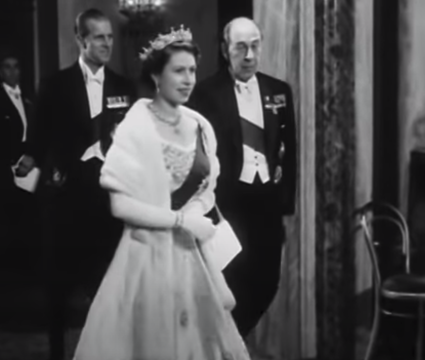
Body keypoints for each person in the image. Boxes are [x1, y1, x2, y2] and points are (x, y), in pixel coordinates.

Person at [72, 26, 250, 360]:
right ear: (156, 75)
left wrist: (197, 210)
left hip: (192, 257)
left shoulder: (199, 125)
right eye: (178, 71)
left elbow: (207, 188)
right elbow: (120, 204)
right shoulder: (135, 127)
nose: (188, 79)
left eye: (193, 70)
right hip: (146, 257)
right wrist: (181, 220)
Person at [17, 8, 137, 360]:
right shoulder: (54, 85)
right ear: (80, 39)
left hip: (108, 203)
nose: (107, 44)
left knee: (110, 287)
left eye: (110, 37)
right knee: (59, 289)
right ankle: (57, 352)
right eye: (99, 37)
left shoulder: (124, 87)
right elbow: (38, 139)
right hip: (67, 202)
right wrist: (29, 161)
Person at [188, 17, 297, 337]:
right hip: (229, 204)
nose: (249, 55)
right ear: (225, 50)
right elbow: (199, 156)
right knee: (232, 283)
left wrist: (286, 204)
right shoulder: (206, 93)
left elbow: (289, 151)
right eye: (240, 47)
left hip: (267, 201)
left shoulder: (279, 91)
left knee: (267, 283)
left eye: (254, 46)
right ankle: (228, 348)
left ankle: (233, 341)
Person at [0, 53, 39, 269]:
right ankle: (4, 267)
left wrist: (31, 156)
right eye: (7, 67)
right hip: (3, 166)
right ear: (0, 72)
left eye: (15, 67)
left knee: (27, 216)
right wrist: (17, 158)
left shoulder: (29, 98)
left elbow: (36, 131)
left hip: (28, 165)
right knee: (4, 218)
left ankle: (25, 263)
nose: (12, 72)